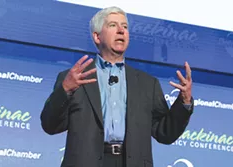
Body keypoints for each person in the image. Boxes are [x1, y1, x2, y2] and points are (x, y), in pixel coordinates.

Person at [40, 6, 194, 167]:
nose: (121, 30)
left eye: (125, 26)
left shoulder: (148, 84)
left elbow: (165, 133)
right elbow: (50, 126)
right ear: (97, 37)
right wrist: (65, 91)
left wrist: (184, 102)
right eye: (113, 25)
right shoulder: (72, 79)